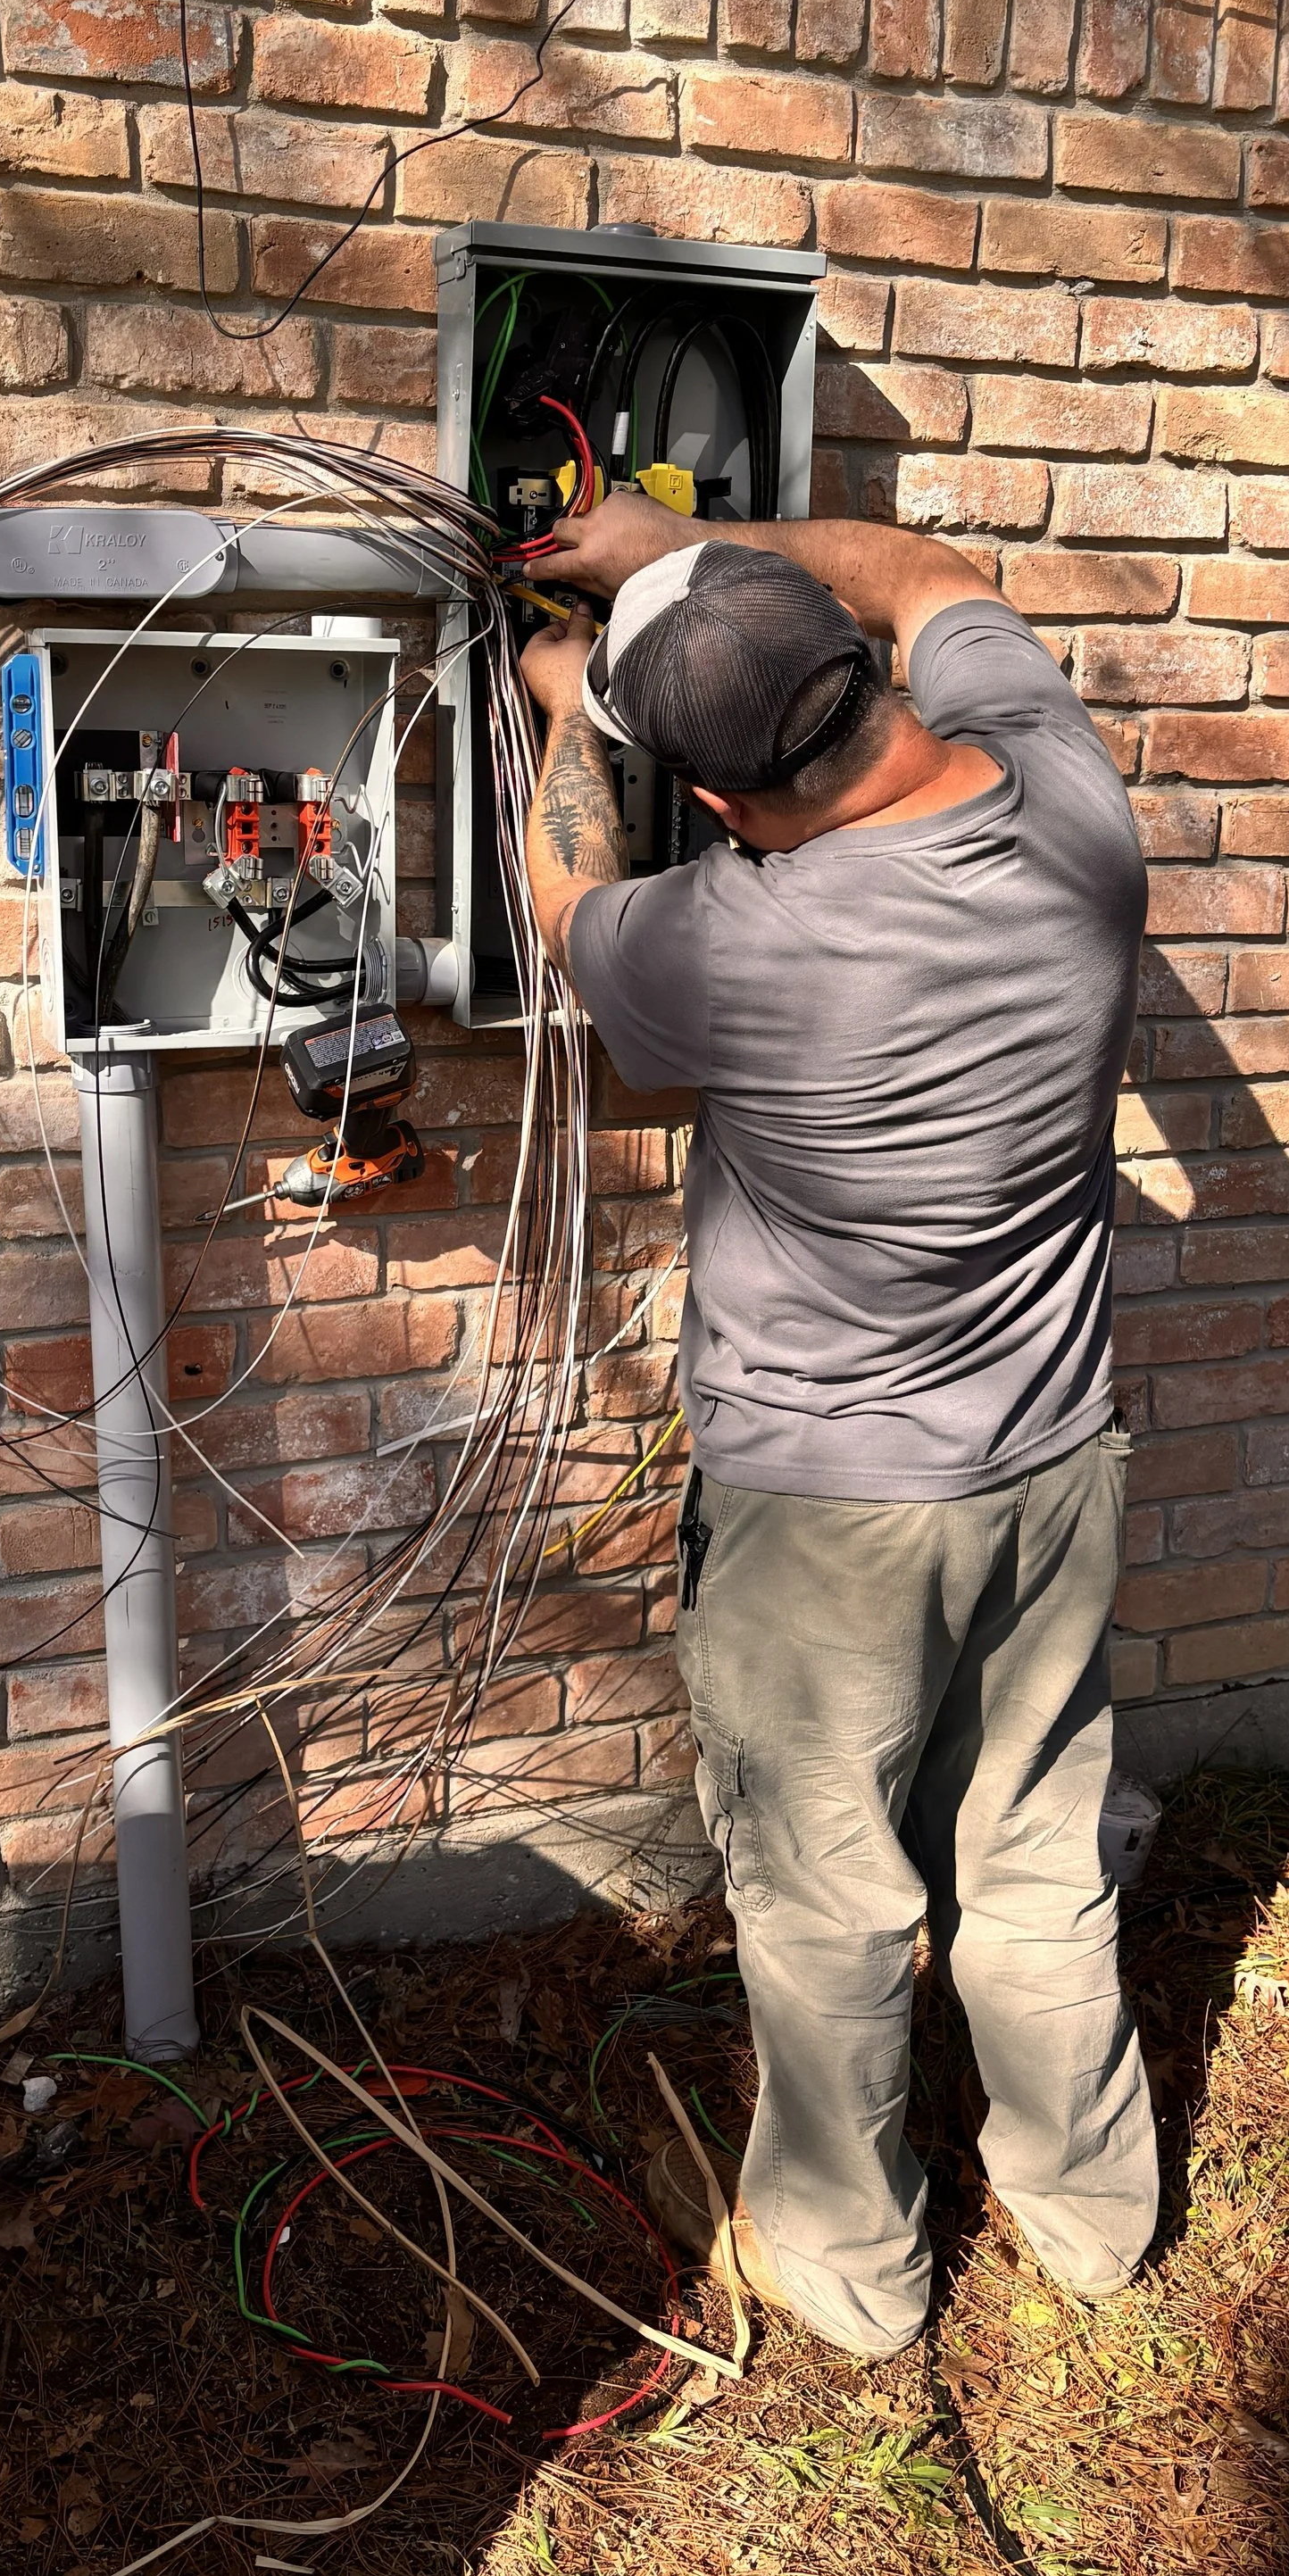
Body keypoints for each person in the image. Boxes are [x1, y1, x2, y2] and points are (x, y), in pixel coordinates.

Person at [518, 494, 1157, 2362]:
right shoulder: (1068, 803)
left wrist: (562, 702)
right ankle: (1093, 2215)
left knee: (827, 1900)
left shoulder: (722, 948)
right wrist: (687, 540)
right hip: (1049, 1464)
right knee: (1036, 1858)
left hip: (825, 1515)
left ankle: (853, 2265)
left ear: (715, 806)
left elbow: (564, 909)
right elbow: (939, 577)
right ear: (862, 677)